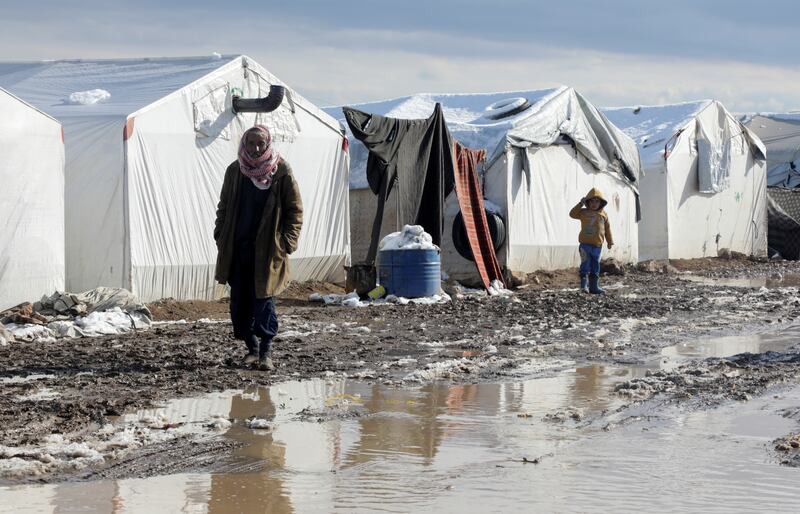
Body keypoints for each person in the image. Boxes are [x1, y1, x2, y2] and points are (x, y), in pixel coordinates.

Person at [214, 125, 303, 370]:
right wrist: (220, 233)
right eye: (251, 143)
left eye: (260, 144)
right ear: (244, 144)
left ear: (268, 145)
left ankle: (266, 353)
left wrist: (286, 243)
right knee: (239, 303)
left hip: (267, 252)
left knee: (263, 302)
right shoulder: (235, 171)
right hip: (238, 250)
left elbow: (294, 211)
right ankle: (251, 349)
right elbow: (223, 206)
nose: (255, 149)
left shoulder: (280, 171)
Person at [569, 188, 613, 294]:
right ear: (588, 201)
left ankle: (594, 286)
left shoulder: (603, 214)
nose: (594, 203)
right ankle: (584, 286)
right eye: (592, 201)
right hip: (585, 245)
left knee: (595, 265)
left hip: (597, 245)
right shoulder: (583, 212)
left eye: (597, 201)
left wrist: (610, 241)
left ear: (601, 203)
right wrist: (580, 204)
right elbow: (572, 214)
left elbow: (607, 228)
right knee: (585, 264)